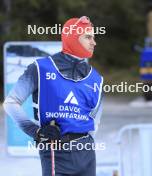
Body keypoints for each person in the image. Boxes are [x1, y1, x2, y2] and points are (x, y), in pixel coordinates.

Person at [3, 16, 103, 176]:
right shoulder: (40, 68)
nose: (94, 42)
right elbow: (10, 103)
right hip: (56, 152)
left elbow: (95, 122)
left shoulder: (96, 78)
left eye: (94, 37)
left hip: (87, 154)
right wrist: (36, 132)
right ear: (73, 38)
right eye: (88, 37)